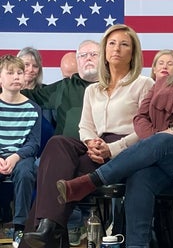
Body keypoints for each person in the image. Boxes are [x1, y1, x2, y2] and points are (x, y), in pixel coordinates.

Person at [56, 23, 173, 247]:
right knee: (141, 177)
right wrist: (156, 140)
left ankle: (91, 181)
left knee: (163, 141)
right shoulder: (163, 81)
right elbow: (140, 117)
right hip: (158, 156)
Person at [21, 24, 154, 248]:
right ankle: (48, 228)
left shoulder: (144, 84)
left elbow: (144, 130)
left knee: (58, 175)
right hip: (94, 146)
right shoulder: (94, 89)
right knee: (58, 143)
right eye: (111, 43)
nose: (116, 49)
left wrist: (112, 149)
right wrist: (91, 142)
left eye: (124, 44)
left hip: (126, 151)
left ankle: (46, 230)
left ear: (133, 52)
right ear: (105, 50)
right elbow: (85, 126)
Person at [21, 40, 101, 245]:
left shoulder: (113, 85)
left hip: (100, 152)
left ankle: (44, 231)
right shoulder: (66, 86)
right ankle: (50, 231)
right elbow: (28, 96)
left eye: (93, 54)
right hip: (65, 151)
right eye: (82, 55)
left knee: (50, 170)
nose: (88, 58)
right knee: (50, 159)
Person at [0, 55, 42, 248]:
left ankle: (20, 227)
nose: (16, 76)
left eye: (19, 72)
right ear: (1, 79)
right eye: (10, 73)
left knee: (26, 173)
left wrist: (15, 157)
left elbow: (33, 144)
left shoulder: (33, 108)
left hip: (21, 156)